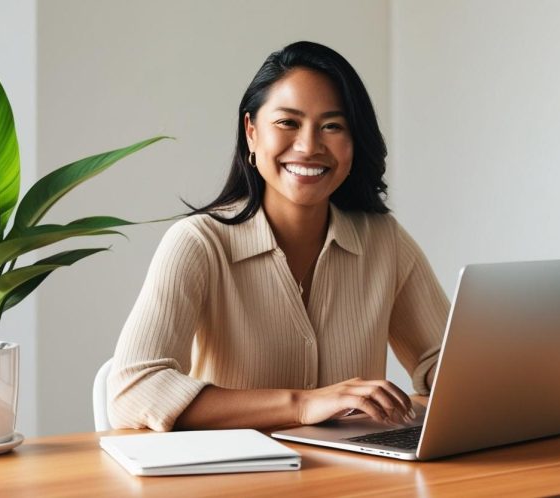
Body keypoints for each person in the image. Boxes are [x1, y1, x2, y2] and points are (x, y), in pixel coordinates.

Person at [108, 41, 449, 432]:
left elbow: (446, 361)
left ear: (354, 143)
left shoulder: (384, 240)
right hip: (235, 480)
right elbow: (134, 391)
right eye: (288, 123)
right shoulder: (199, 242)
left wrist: (481, 380)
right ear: (251, 132)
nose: (308, 146)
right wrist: (303, 404)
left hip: (354, 480)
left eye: (333, 126)